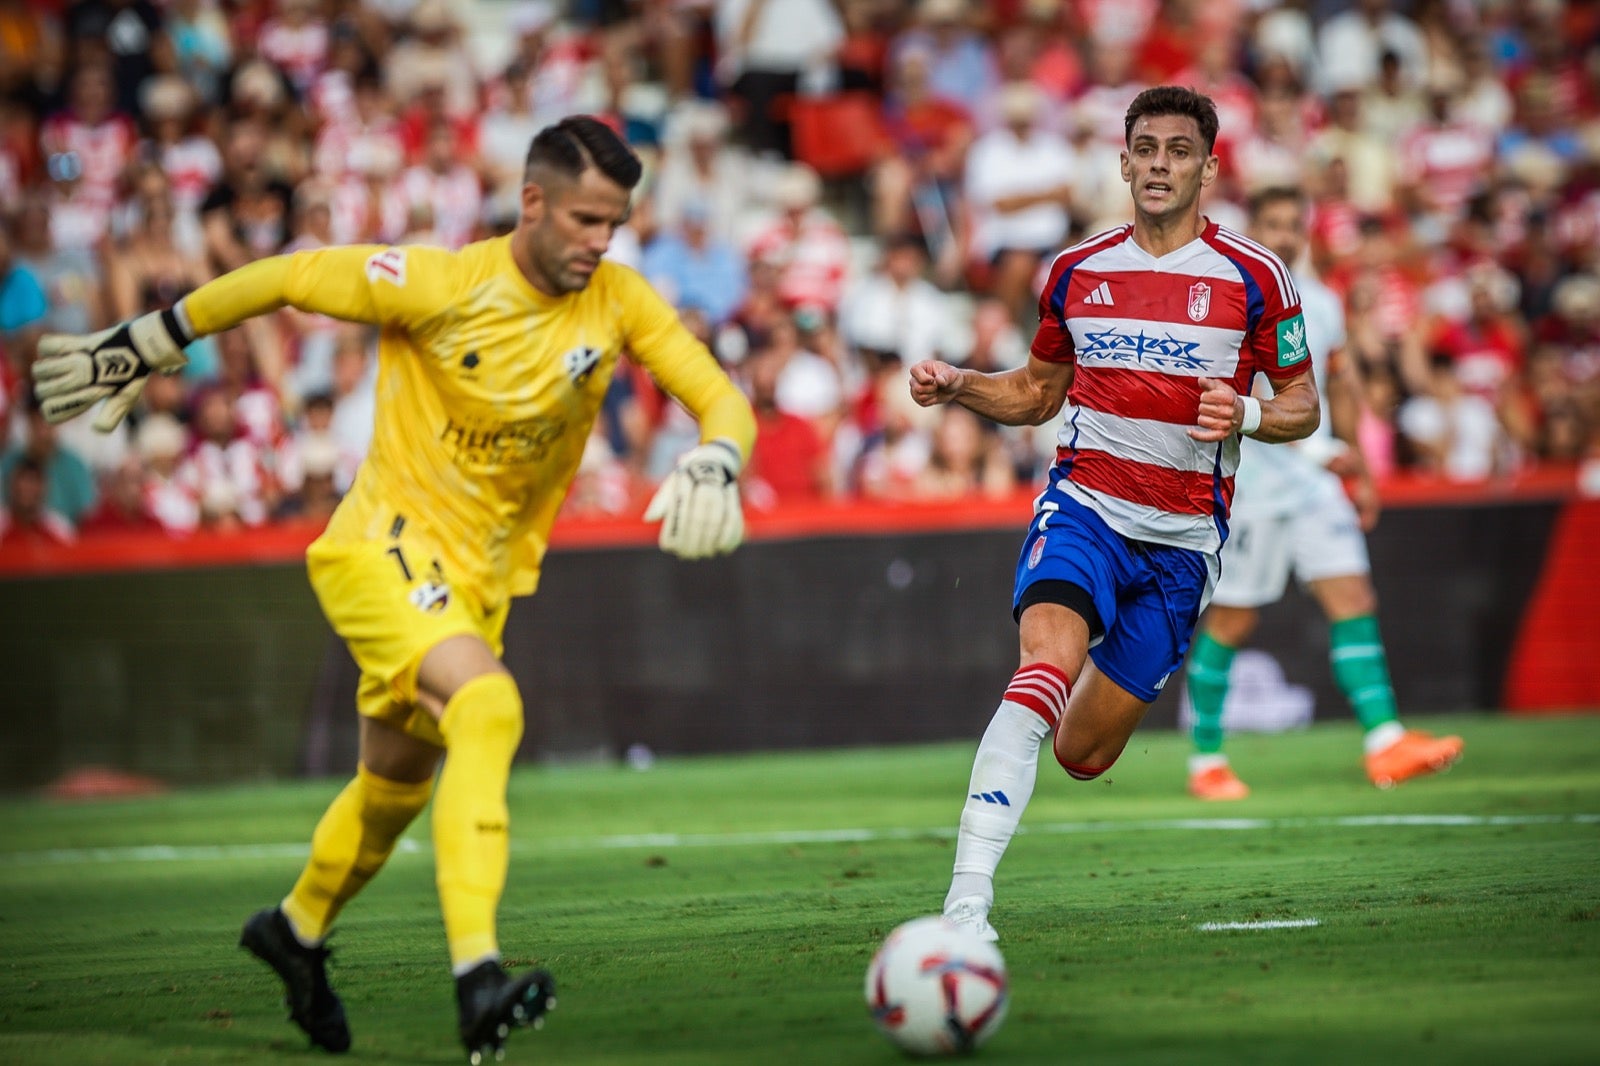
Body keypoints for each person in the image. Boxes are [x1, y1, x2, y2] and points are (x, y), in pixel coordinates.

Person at [30, 116, 756, 1063]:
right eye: (585, 219)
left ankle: (293, 932)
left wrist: (718, 455)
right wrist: (152, 337)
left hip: (475, 586)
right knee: (489, 708)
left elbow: (718, 395)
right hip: (384, 550)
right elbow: (291, 276)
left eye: (613, 224)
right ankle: (478, 977)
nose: (600, 241)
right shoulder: (441, 283)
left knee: (393, 791)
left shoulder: (618, 300)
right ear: (532, 202)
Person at [907, 87, 1321, 943]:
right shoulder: (1075, 271)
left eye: (1179, 150)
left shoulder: (1256, 277)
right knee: (1043, 669)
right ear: (1124, 163)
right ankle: (966, 907)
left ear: (1208, 168)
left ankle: (1047, 747)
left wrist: (1245, 412)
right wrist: (962, 385)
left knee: (1082, 754)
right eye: (1146, 149)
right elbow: (1037, 393)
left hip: (1182, 546)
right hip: (1086, 508)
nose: (1160, 164)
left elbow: (1303, 405)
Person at [1183, 187, 1465, 801]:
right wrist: (1320, 452)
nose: (1285, 235)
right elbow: (1252, 397)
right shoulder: (1231, 299)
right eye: (1273, 224)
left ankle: (1385, 741)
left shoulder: (1322, 302)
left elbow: (1338, 385)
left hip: (1315, 485)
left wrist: (1360, 469)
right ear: (1252, 228)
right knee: (1233, 620)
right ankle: (1206, 759)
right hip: (1252, 485)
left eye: (1294, 224)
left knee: (1353, 596)